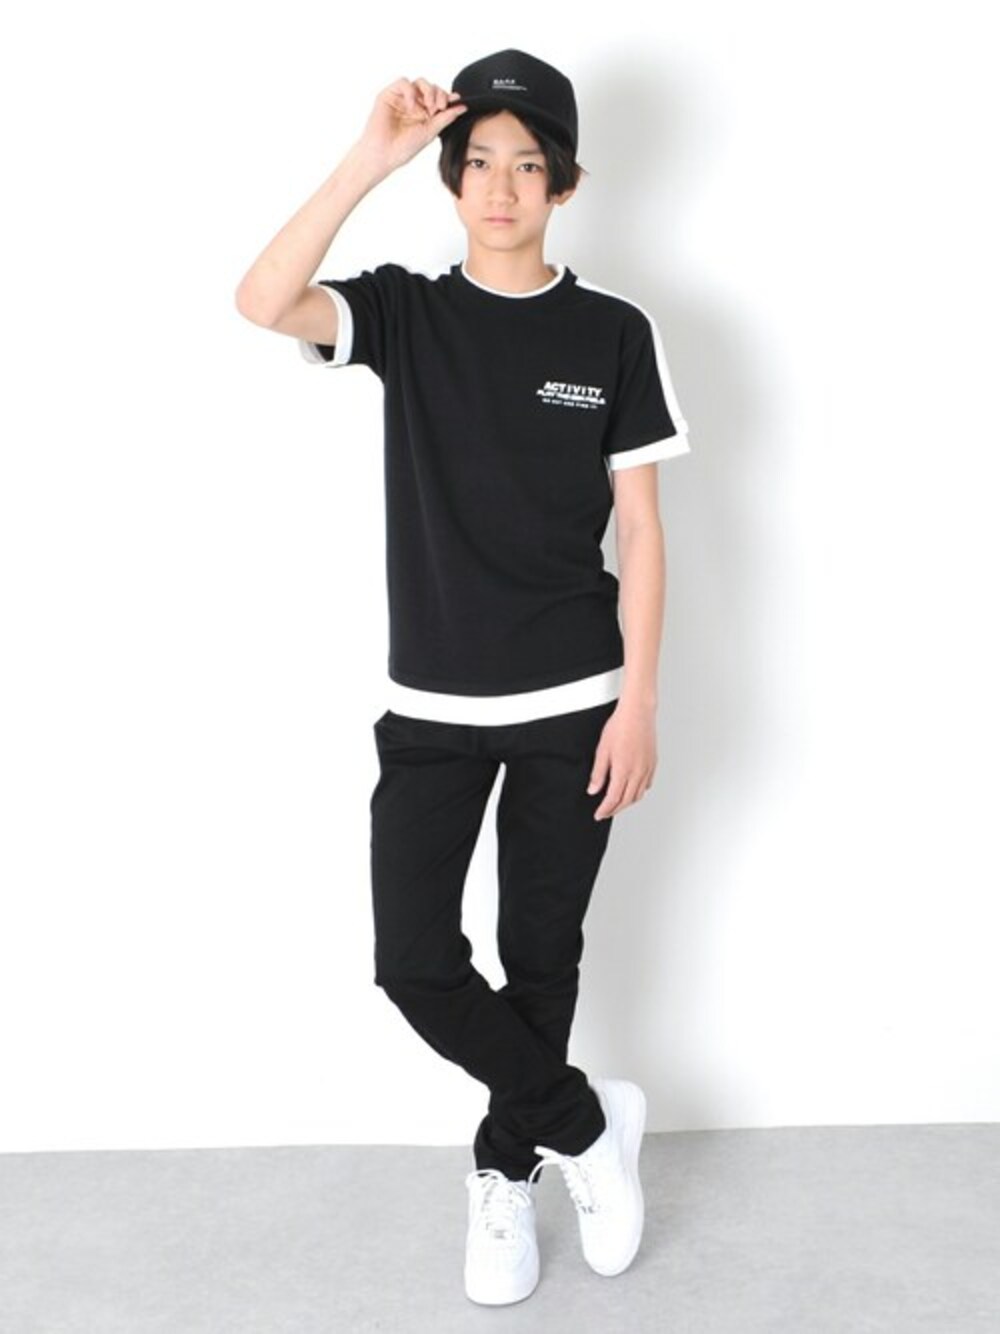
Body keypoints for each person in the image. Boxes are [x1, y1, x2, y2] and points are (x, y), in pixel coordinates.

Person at [235, 48, 691, 1306]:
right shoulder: (405, 314)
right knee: (415, 962)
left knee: (540, 955)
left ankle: (503, 1171)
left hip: (574, 701)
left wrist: (639, 700)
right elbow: (263, 299)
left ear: (563, 184)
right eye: (478, 161)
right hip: (431, 706)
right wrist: (367, 158)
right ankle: (585, 1123)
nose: (500, 187)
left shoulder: (613, 332)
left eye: (526, 165)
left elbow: (641, 529)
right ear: (450, 178)